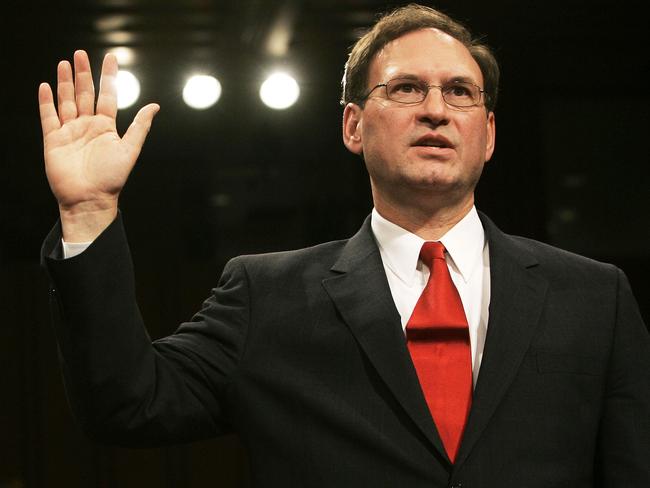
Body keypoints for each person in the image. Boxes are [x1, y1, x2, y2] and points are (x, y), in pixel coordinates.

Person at [39, 4, 649, 487]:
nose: (436, 109)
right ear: (353, 125)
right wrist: (88, 213)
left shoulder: (595, 298)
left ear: (487, 135)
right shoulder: (265, 298)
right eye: (407, 89)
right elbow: (125, 403)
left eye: (460, 91)